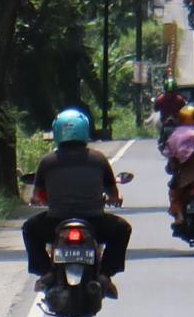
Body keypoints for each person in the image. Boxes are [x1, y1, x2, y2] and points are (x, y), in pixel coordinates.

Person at [22, 109, 131, 300]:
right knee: (122, 229)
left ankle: (45, 272)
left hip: (56, 221)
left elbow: (37, 196)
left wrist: (39, 201)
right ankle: (105, 274)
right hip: (94, 221)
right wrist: (114, 200)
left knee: (29, 229)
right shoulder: (98, 159)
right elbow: (113, 193)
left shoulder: (47, 161)